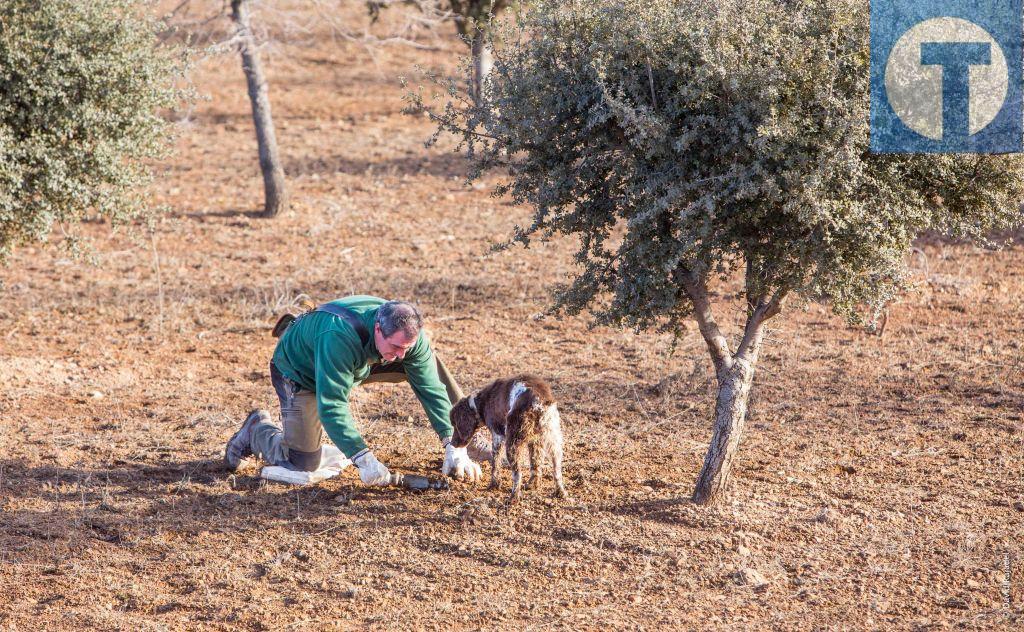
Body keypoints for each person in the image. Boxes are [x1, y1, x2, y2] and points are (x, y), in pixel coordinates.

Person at [223, 295, 483, 485]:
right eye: (396, 347)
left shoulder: (404, 339)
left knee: (429, 364)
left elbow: (432, 388)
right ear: (378, 328)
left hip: (363, 361)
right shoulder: (339, 336)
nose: (401, 355)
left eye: (407, 348)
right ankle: (257, 430)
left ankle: (467, 435)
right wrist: (362, 457)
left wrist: (454, 442)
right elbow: (332, 404)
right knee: (303, 463)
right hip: (302, 372)